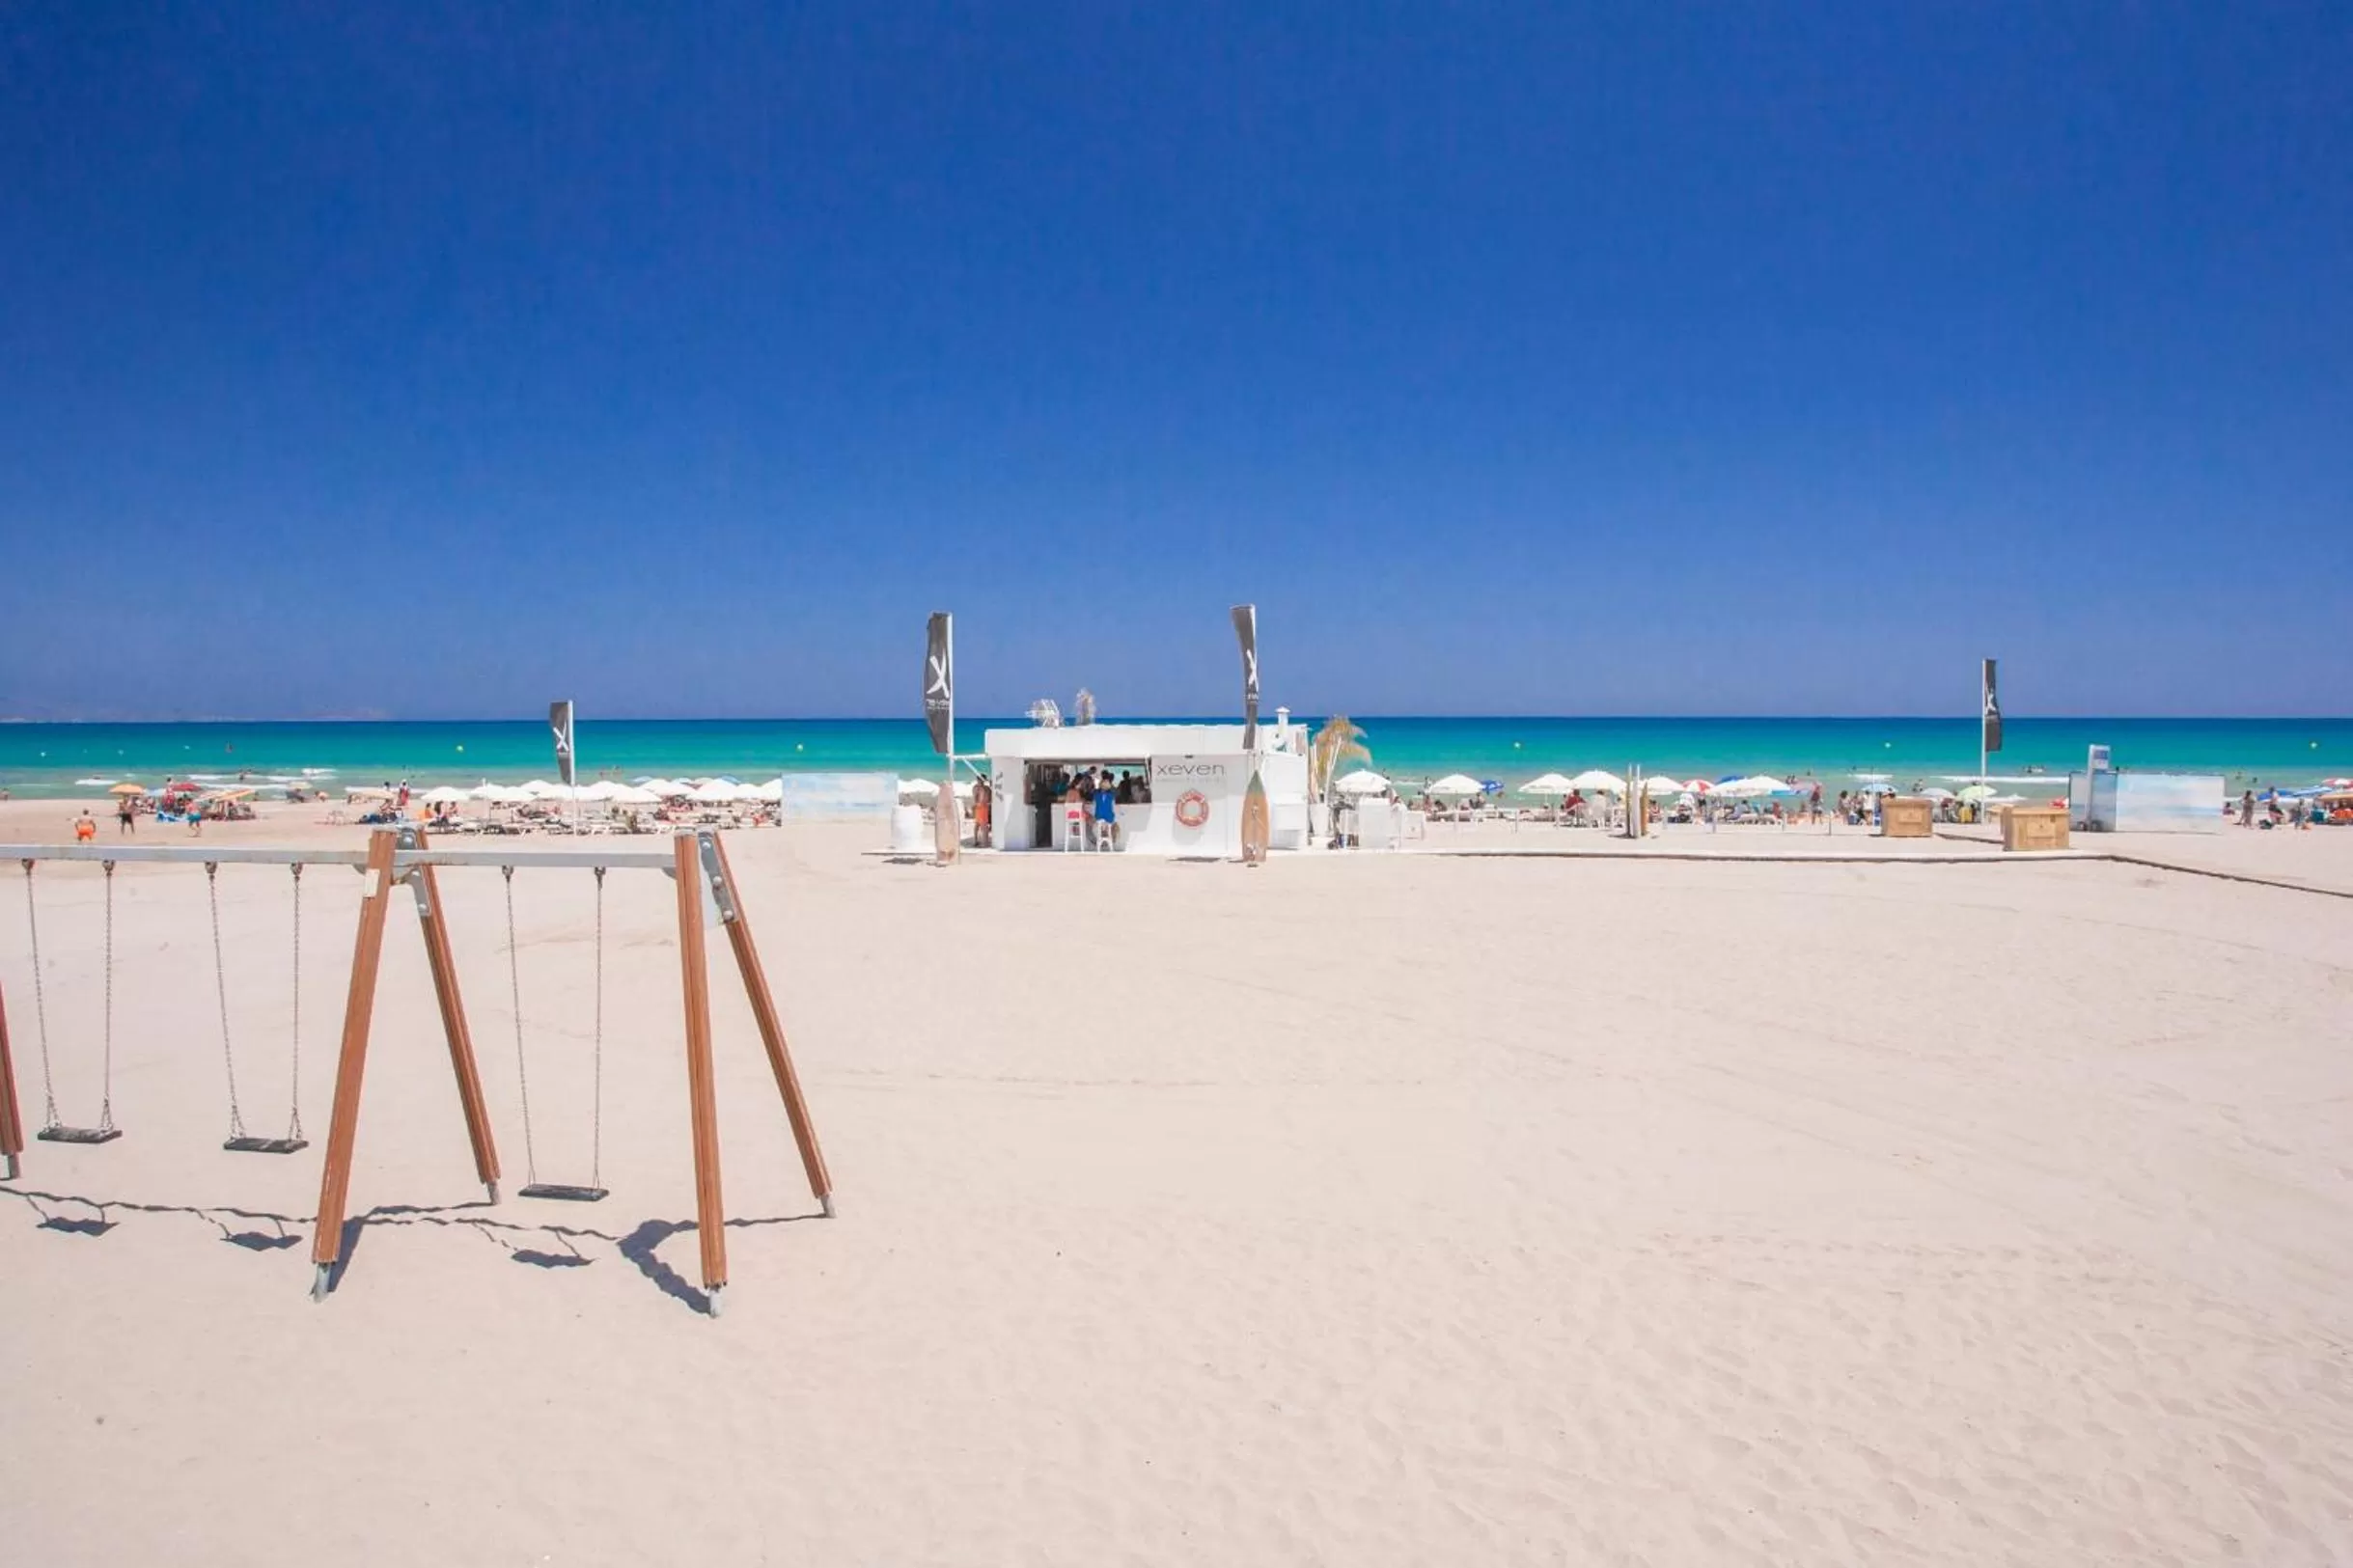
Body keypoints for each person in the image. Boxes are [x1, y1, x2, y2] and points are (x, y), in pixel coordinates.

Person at [1092, 770, 1119, 848]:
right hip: (1109, 817)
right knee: (1112, 821)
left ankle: (1102, 835)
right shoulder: (1111, 795)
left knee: (1097, 822)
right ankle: (1108, 838)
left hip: (1098, 816)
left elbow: (1094, 804)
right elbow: (1113, 806)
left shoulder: (1096, 794)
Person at [971, 777, 993, 848]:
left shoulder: (985, 788)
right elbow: (975, 799)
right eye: (978, 779)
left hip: (983, 807)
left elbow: (990, 798)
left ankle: (981, 841)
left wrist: (988, 803)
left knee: (981, 825)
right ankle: (979, 841)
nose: (979, 781)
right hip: (981, 808)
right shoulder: (977, 788)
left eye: (980, 779)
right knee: (980, 824)